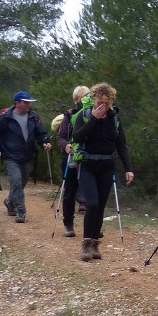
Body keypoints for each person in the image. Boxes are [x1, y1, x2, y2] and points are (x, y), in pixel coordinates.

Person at [70, 83, 135, 261]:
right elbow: (77, 137)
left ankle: (94, 244)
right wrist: (94, 119)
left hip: (106, 165)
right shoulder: (84, 115)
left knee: (100, 207)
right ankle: (85, 244)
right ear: (93, 100)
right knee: (92, 204)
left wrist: (128, 168)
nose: (102, 106)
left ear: (111, 102)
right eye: (100, 102)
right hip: (87, 164)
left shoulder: (114, 118)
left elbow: (121, 144)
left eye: (106, 103)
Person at [0, 91, 51, 223]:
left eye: (29, 102)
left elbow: (41, 133)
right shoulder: (5, 117)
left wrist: (45, 142)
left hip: (28, 156)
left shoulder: (34, 117)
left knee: (21, 183)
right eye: (26, 102)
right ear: (17, 103)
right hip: (10, 156)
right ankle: (21, 212)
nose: (29, 105)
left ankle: (10, 202)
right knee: (16, 182)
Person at [56, 85, 90, 238]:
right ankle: (68, 224)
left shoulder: (94, 114)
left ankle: (92, 227)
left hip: (88, 159)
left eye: (88, 96)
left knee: (91, 193)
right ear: (76, 99)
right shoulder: (69, 115)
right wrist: (66, 146)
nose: (86, 99)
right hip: (69, 158)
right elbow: (61, 137)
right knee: (69, 192)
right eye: (83, 96)